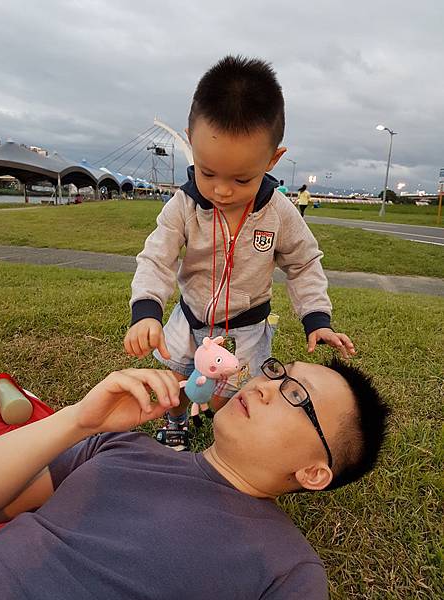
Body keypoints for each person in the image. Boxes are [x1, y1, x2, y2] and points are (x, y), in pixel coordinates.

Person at [0, 359, 389, 599]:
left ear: (313, 472)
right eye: (277, 371)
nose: (264, 387)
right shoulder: (120, 446)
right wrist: (77, 420)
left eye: (297, 395)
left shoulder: (288, 570)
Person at [124, 56, 355, 450]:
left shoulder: (279, 212)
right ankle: (177, 421)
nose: (222, 190)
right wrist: (146, 309)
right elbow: (156, 257)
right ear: (191, 141)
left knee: (231, 391)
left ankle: (222, 436)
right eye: (208, 172)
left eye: (242, 178)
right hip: (191, 314)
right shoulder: (183, 206)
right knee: (180, 378)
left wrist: (316, 317)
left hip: (246, 326)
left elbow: (304, 263)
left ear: (272, 159)